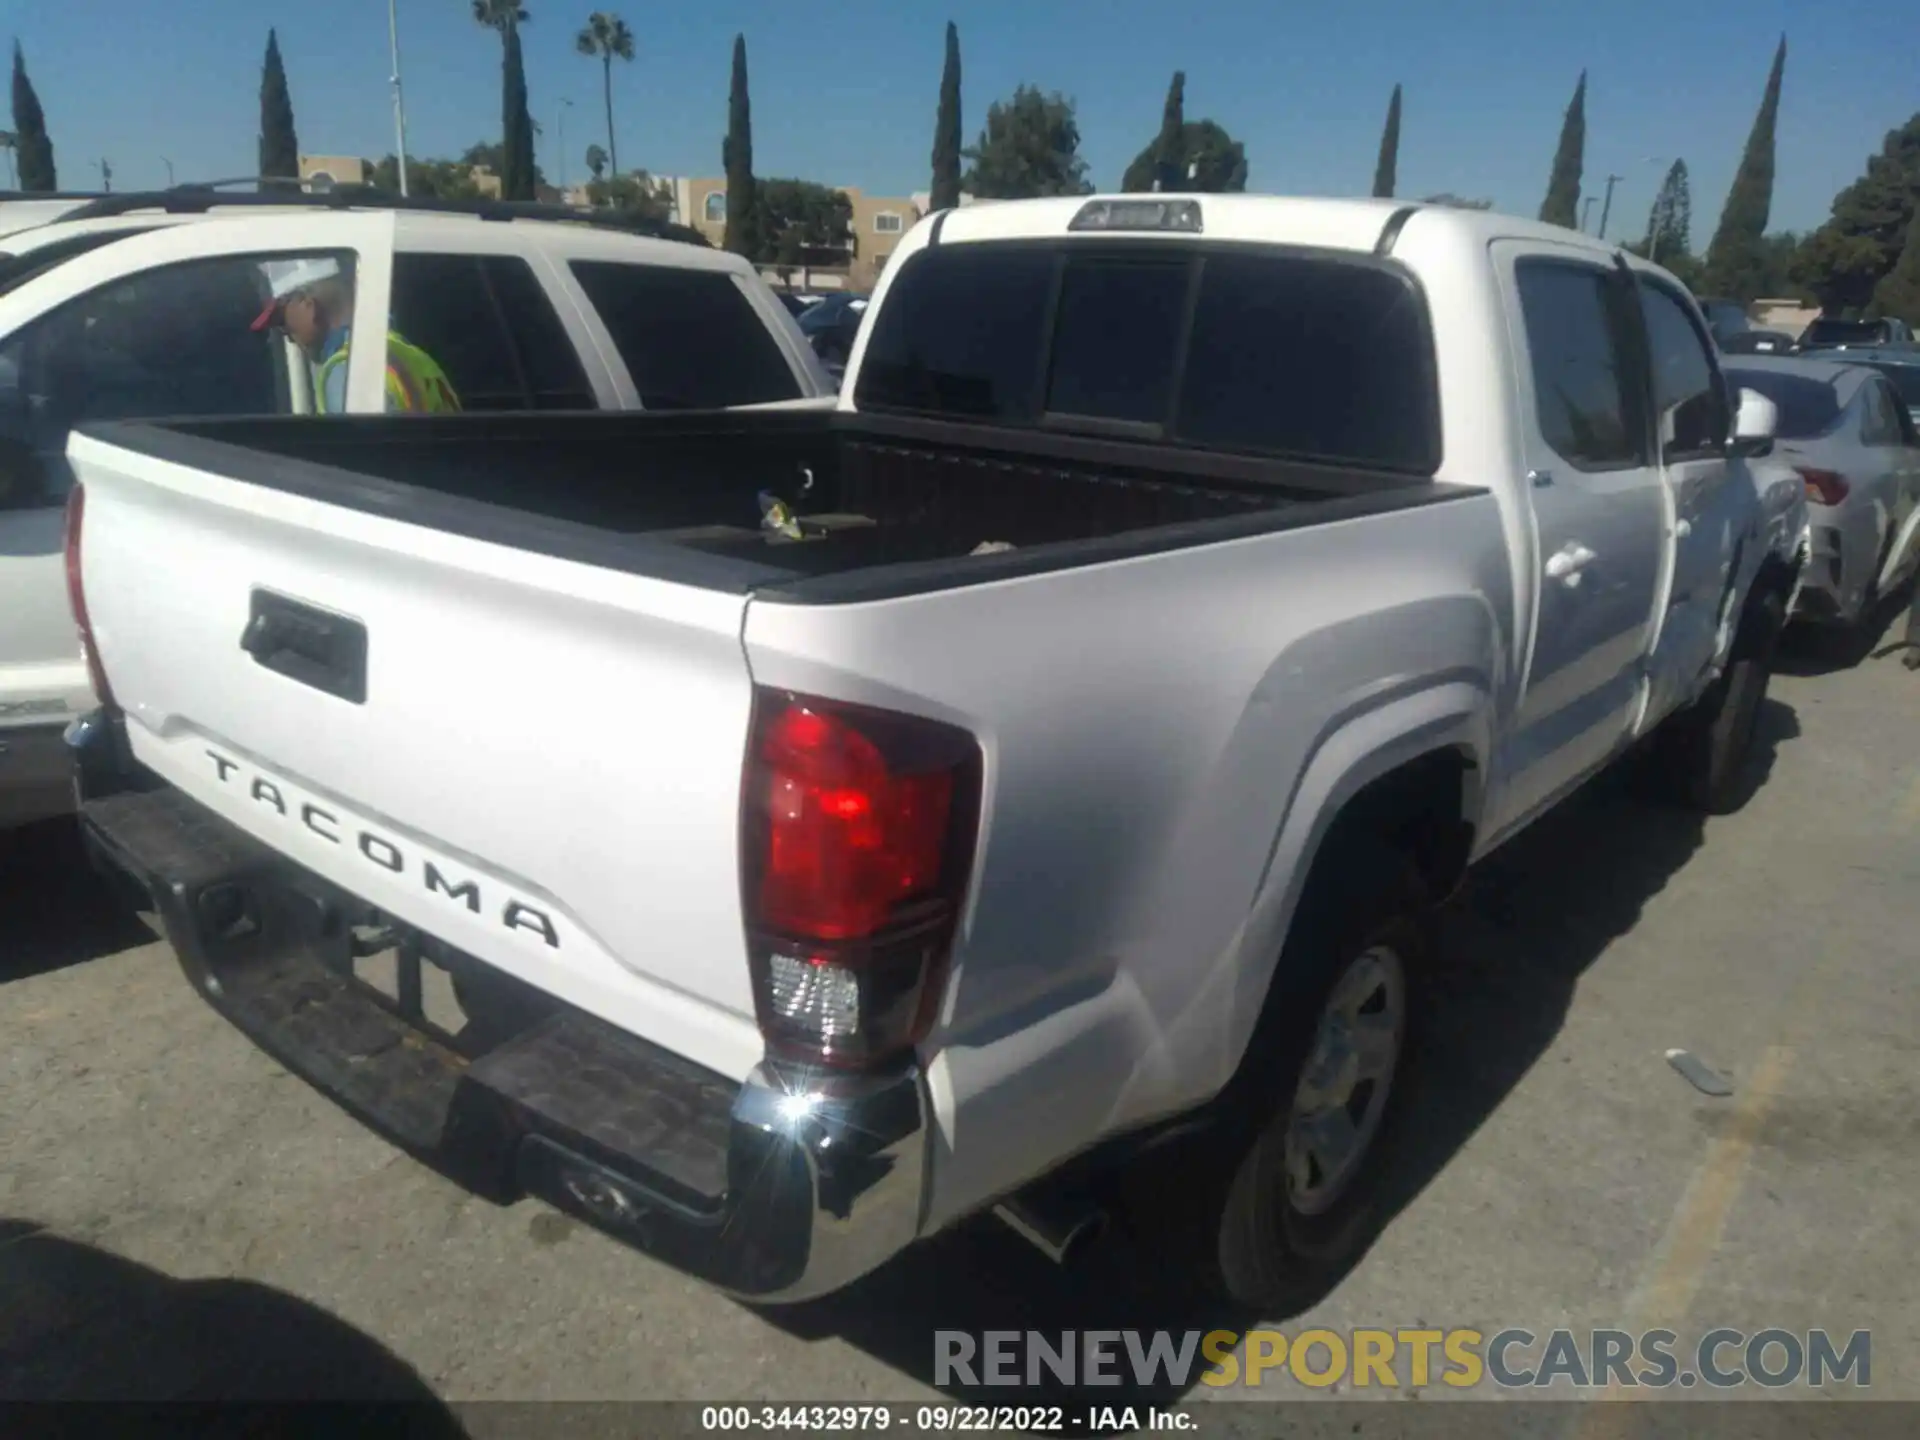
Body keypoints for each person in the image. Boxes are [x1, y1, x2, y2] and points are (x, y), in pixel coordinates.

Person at [248, 257, 461, 415]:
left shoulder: (347, 373)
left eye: (284, 324)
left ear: (308, 305)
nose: (289, 339)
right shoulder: (398, 348)